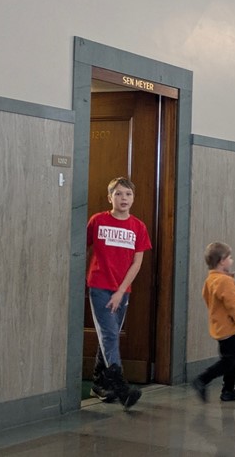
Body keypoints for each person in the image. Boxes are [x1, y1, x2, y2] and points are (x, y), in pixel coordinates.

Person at [86, 176, 152, 410]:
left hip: (122, 291)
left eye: (128, 194)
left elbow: (137, 263)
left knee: (109, 335)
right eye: (119, 194)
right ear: (110, 198)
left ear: (133, 198)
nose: (124, 198)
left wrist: (121, 291)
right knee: (110, 335)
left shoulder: (138, 227)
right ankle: (122, 388)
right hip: (99, 286)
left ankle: (99, 383)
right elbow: (80, 247)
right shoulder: (97, 221)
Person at [191, 242, 235, 402]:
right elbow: (234, 306)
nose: (232, 260)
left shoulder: (211, 279)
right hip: (229, 329)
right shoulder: (224, 282)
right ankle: (202, 380)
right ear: (222, 261)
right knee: (229, 361)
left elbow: (207, 299)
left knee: (233, 360)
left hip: (219, 327)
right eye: (229, 257)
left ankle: (228, 390)